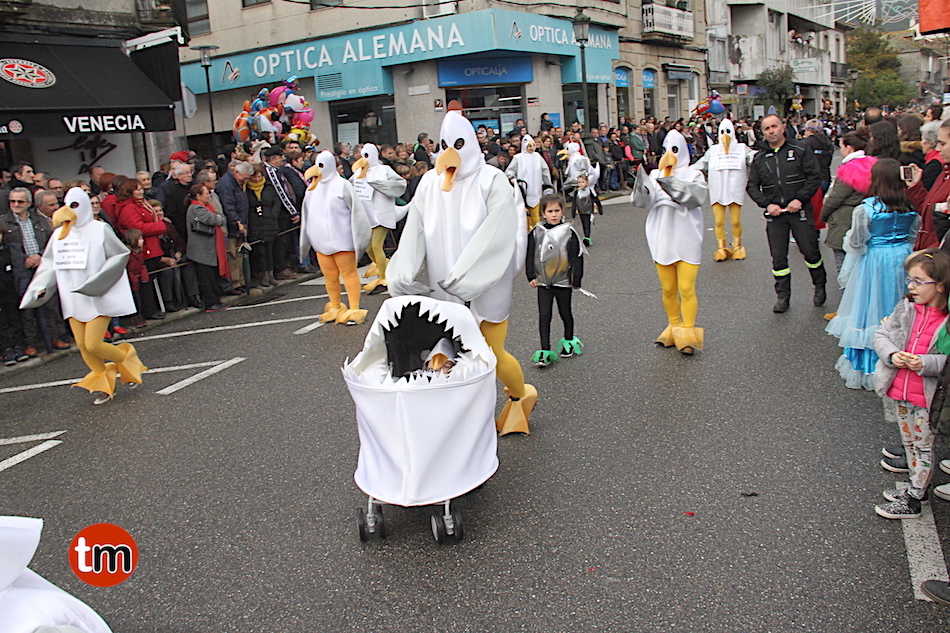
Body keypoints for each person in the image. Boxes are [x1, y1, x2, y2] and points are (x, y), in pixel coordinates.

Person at [387, 102, 537, 436]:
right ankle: (466, 423)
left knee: (491, 352)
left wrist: (474, 273)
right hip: (445, 287)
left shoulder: (492, 180)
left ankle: (520, 396)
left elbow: (501, 231)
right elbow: (414, 228)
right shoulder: (429, 183)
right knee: (447, 352)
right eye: (444, 145)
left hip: (488, 286)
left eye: (457, 144)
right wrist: (403, 271)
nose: (450, 152)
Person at [19, 188, 146, 405]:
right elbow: (49, 263)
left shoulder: (100, 229)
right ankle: (104, 383)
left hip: (97, 296)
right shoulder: (59, 235)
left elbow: (118, 254)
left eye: (75, 205)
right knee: (83, 345)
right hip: (72, 297)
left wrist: (99, 281)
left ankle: (125, 359)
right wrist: (40, 287)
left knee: (93, 343)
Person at [825, 159, 919, 390]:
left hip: (875, 260)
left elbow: (856, 242)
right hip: (902, 257)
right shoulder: (910, 206)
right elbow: (913, 235)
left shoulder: (867, 208)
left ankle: (869, 364)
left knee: (871, 306)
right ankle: (899, 354)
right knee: (900, 304)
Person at [871, 248, 950, 519]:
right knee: (909, 444)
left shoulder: (946, 320)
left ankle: (914, 499)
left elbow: (946, 360)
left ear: (940, 285)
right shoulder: (906, 308)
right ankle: (917, 488)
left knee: (923, 447)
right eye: (909, 280)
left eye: (918, 281)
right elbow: (881, 335)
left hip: (929, 399)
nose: (911, 286)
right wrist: (892, 355)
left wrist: (925, 363)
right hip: (901, 392)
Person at [746, 114, 826, 313]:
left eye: (774, 126)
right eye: (767, 129)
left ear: (782, 127)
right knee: (779, 258)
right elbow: (752, 186)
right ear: (762, 133)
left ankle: (820, 285)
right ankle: (783, 296)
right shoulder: (759, 158)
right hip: (776, 215)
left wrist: (800, 199)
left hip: (799, 210)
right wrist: (767, 205)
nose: (771, 131)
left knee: (810, 252)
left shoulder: (800, 149)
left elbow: (814, 177)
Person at [639, 129, 708, 355]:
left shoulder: (694, 174)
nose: (670, 154)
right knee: (668, 288)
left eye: (675, 149)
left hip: (687, 236)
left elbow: (697, 197)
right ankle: (673, 325)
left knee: (686, 288)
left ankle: (688, 332)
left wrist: (670, 181)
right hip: (662, 236)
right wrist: (644, 185)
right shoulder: (655, 174)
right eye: (666, 149)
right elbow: (643, 200)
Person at [300, 150, 371, 325]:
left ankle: (354, 308)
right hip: (320, 242)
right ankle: (335, 306)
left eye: (321, 165)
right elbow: (307, 215)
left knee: (348, 274)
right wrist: (308, 240)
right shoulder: (312, 189)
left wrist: (360, 237)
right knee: (329, 276)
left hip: (343, 240)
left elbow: (357, 211)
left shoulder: (342, 185)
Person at [526, 193, 584, 367]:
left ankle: (568, 341)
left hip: (563, 281)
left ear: (562, 211)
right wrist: (531, 275)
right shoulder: (536, 232)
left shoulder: (569, 232)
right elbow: (530, 255)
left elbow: (577, 256)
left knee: (565, 312)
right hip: (543, 282)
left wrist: (576, 279)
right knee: (544, 316)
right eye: (550, 211)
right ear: (543, 213)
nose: (553, 215)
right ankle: (545, 350)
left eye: (557, 211)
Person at [693, 118, 754, 261]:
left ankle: (737, 246)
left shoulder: (741, 148)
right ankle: (721, 248)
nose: (725, 134)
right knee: (719, 221)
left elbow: (753, 157)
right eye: (722, 132)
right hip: (717, 190)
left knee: (735, 221)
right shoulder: (713, 150)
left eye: (728, 131)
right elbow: (701, 164)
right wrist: (683, 171)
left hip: (734, 190)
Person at [349, 143, 407, 294]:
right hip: (367, 216)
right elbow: (348, 186)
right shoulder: (359, 172)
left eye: (367, 155)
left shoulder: (384, 170)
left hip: (382, 214)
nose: (364, 159)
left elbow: (400, 184)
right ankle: (385, 267)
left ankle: (384, 278)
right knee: (368, 248)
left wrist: (382, 185)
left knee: (376, 246)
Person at [821, 132, 876, 276]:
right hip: (868, 215)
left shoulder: (849, 169)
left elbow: (836, 197)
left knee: (843, 261)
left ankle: (846, 289)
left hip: (845, 219)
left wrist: (824, 215)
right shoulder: (873, 164)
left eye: (841, 147)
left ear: (849, 148)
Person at [908, 118, 950, 249]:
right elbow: (928, 213)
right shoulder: (944, 174)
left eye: (942, 144)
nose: (938, 148)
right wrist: (916, 187)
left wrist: (932, 253)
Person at [186, 184, 228, 312]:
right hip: (202, 250)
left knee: (212, 276)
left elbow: (220, 217)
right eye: (206, 193)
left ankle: (216, 300)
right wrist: (219, 216)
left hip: (209, 248)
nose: (209, 196)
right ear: (198, 196)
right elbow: (214, 219)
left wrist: (219, 216)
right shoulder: (196, 208)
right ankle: (210, 302)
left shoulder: (206, 207)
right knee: (207, 278)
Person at [245, 164, 282, 288]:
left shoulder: (268, 187)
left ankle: (271, 274)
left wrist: (273, 215)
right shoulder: (247, 190)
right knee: (260, 252)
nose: (257, 179)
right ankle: (263, 275)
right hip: (255, 223)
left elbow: (276, 201)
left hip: (269, 222)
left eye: (259, 177)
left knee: (269, 251)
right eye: (254, 177)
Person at [506, 134, 553, 230]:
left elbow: (545, 170)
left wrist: (547, 184)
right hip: (523, 190)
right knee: (524, 216)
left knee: (535, 215)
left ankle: (536, 232)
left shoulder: (537, 157)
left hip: (536, 190)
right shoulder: (518, 158)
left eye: (533, 145)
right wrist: (513, 179)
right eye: (529, 146)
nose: (531, 148)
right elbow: (509, 171)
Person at [571, 174, 602, 247]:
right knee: (583, 224)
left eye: (583, 182)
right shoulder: (577, 192)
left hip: (588, 210)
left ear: (587, 182)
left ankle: (587, 237)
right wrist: (573, 211)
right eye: (579, 182)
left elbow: (596, 199)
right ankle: (586, 236)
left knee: (587, 224)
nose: (581, 184)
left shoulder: (590, 190)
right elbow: (574, 202)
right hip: (581, 210)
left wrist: (600, 208)